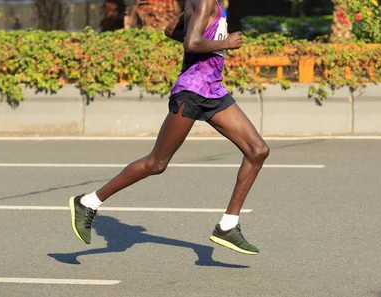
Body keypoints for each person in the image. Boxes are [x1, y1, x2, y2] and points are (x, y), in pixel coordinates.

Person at [68, 0, 269, 255]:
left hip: (212, 90)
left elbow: (171, 29)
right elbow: (192, 43)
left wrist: (210, 41)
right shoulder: (205, 0)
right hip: (192, 91)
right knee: (156, 163)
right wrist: (225, 43)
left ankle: (228, 225)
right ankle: (88, 202)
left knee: (258, 150)